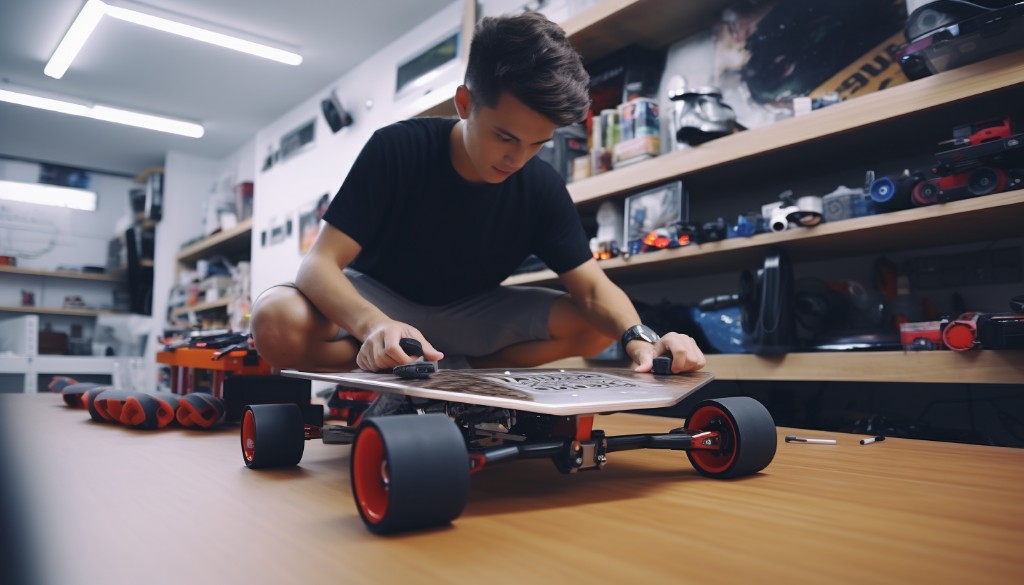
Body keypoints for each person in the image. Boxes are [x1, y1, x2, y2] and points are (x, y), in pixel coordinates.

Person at [250, 11, 706, 377]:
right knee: (275, 321)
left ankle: (453, 376)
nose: (518, 159)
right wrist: (375, 325)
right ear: (465, 104)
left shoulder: (541, 186)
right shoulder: (397, 147)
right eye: (505, 137)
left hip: (470, 316)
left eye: (537, 144)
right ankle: (387, 361)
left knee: (595, 326)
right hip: (378, 298)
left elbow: (591, 288)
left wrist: (642, 337)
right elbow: (318, 265)